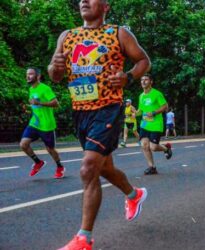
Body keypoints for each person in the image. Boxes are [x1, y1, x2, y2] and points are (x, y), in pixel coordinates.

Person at [48, 0, 150, 249]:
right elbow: (55, 73)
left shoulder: (118, 33)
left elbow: (143, 61)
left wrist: (127, 77)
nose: (84, 1)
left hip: (108, 109)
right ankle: (135, 195)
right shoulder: (68, 36)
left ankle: (84, 238)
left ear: (105, 6)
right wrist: (55, 68)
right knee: (103, 169)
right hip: (81, 112)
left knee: (87, 168)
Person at [20, 67, 65, 179]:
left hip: (46, 125)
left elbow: (56, 103)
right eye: (27, 74)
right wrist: (30, 107)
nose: (28, 76)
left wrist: (40, 103)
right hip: (35, 123)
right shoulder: (31, 89)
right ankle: (38, 162)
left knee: (50, 149)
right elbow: (35, 104)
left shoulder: (45, 88)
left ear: (38, 76)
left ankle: (60, 167)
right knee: (23, 144)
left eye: (31, 74)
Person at [137, 74, 172, 175]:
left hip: (156, 124)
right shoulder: (141, 96)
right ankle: (152, 167)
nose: (143, 81)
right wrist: (135, 113)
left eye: (146, 80)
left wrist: (154, 113)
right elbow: (141, 110)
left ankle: (166, 148)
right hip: (145, 124)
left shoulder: (157, 94)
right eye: (142, 80)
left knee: (153, 147)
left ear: (151, 82)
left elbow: (165, 106)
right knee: (144, 145)